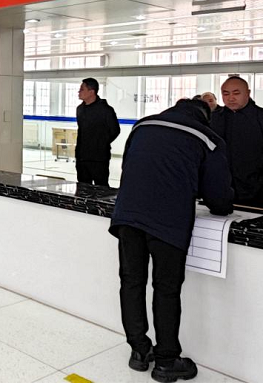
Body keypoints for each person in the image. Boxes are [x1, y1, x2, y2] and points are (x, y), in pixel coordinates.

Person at [110, 98, 233, 382]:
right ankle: (166, 361)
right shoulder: (208, 138)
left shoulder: (143, 125)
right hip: (168, 221)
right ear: (206, 117)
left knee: (131, 281)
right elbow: (218, 196)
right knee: (166, 289)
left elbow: (128, 166)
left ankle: (139, 351)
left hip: (127, 214)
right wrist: (220, 206)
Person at [210, 76, 263, 211]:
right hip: (220, 188)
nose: (231, 98)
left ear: (248, 93)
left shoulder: (260, 118)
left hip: (256, 190)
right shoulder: (215, 118)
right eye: (226, 94)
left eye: (236, 93)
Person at [75, 78, 120, 187]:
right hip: (82, 157)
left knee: (101, 187)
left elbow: (115, 130)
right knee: (83, 187)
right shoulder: (80, 109)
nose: (79, 92)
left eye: (82, 89)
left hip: (99, 158)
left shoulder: (105, 110)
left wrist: (101, 143)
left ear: (91, 92)